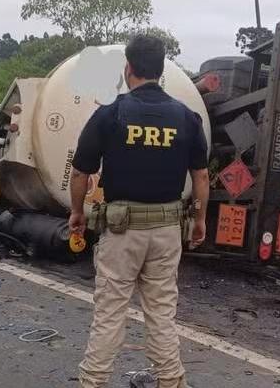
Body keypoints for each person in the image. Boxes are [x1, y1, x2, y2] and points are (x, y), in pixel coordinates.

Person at [69, 35, 209, 388]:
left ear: (128, 67)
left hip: (121, 232)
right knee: (161, 313)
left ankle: (92, 382)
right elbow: (201, 175)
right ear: (161, 71)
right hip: (167, 232)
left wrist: (77, 213)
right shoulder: (187, 118)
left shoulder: (109, 114)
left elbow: (80, 173)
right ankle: (172, 382)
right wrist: (201, 219)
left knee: (110, 313)